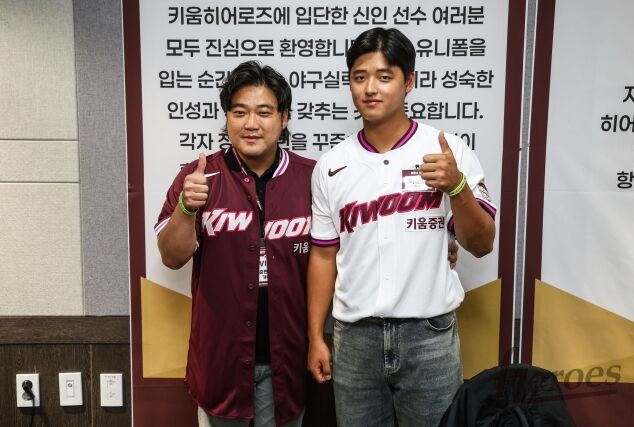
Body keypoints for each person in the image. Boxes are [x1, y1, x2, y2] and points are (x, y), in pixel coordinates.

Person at [307, 27, 497, 426]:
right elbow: (323, 256)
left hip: (427, 336)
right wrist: (314, 337)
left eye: (384, 76)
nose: (370, 88)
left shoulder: (448, 151)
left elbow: (482, 244)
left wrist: (457, 187)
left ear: (408, 82)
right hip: (354, 338)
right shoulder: (331, 165)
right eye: (359, 77)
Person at [155, 61, 314, 427]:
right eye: (239, 112)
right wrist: (186, 208)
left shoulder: (311, 177)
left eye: (264, 112)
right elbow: (172, 257)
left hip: (289, 360)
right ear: (226, 117)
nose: (251, 123)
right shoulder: (198, 177)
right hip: (221, 362)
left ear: (284, 118)